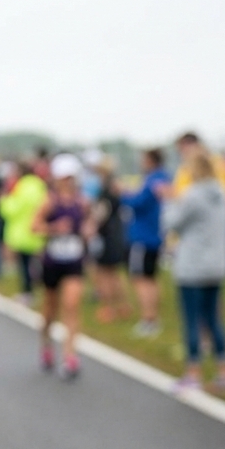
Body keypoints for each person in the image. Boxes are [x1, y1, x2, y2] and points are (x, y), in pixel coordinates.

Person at [163, 148, 225, 393]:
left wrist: (170, 201)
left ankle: (193, 372)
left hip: (193, 266)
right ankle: (224, 371)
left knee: (192, 320)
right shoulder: (221, 194)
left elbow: (172, 224)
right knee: (214, 319)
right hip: (217, 264)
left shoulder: (192, 195)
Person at [33, 154, 91, 380]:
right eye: (64, 177)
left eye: (71, 177)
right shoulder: (50, 201)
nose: (68, 181)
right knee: (49, 311)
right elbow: (35, 226)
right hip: (52, 262)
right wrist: (55, 228)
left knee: (72, 305)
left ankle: (70, 356)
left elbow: (88, 223)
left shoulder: (82, 202)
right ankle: (46, 344)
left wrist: (88, 230)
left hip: (74, 261)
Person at [122, 148, 171, 337]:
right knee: (151, 278)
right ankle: (152, 318)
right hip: (155, 236)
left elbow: (137, 202)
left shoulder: (152, 181)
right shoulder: (164, 178)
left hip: (143, 237)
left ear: (151, 160)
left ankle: (148, 319)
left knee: (141, 278)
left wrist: (124, 194)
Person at [0, 160, 49, 304]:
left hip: (23, 232)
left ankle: (27, 292)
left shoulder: (21, 187)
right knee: (35, 262)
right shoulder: (40, 185)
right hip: (37, 232)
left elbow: (13, 209)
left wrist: (3, 201)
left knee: (25, 265)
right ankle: (36, 289)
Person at [90, 160, 130, 323]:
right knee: (114, 274)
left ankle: (108, 308)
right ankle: (123, 305)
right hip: (117, 233)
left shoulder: (105, 192)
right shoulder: (117, 188)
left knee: (104, 273)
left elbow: (100, 215)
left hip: (107, 235)